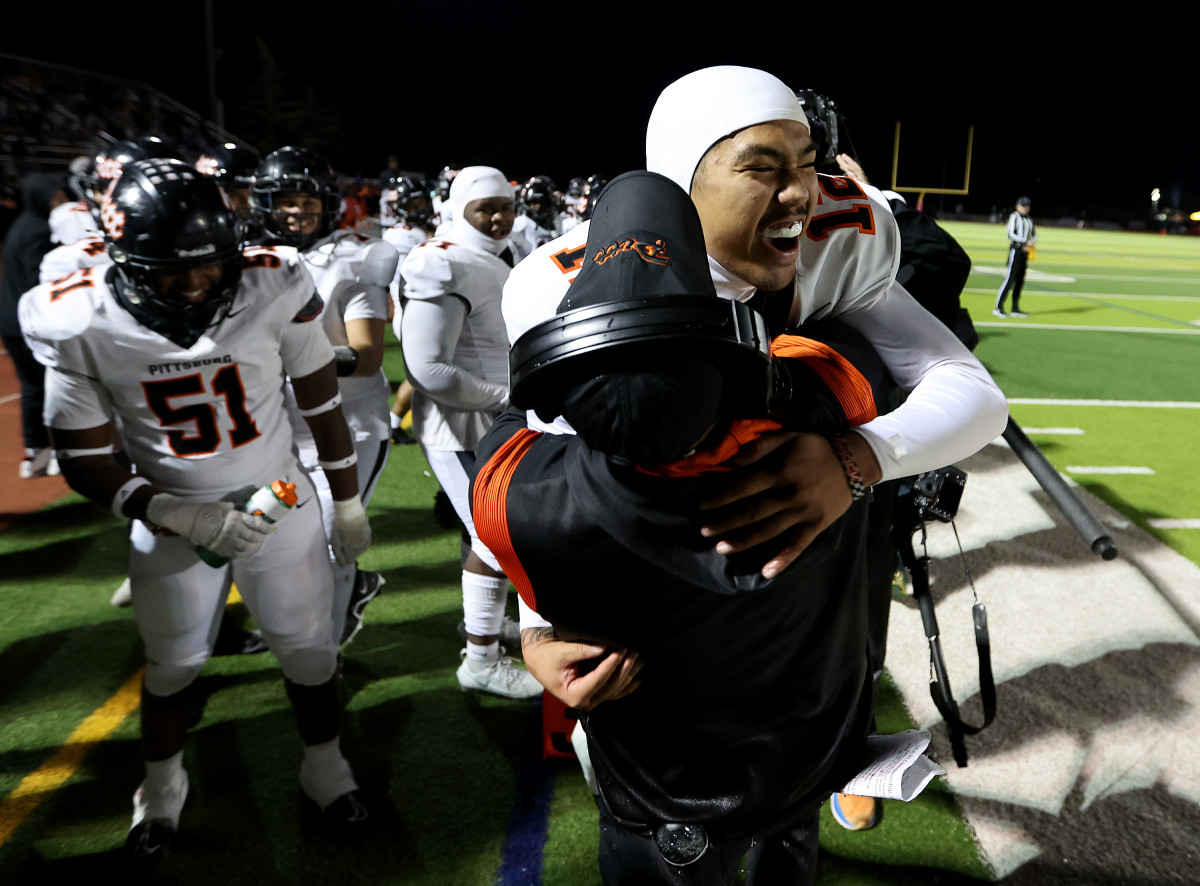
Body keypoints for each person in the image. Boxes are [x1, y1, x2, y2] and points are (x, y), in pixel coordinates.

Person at [501, 65, 1008, 865]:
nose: (803, 191)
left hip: (807, 584)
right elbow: (542, 476)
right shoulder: (562, 288)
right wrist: (537, 626)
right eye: (762, 167)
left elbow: (972, 392)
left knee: (793, 794)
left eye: (807, 162)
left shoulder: (846, 235)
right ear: (676, 186)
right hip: (667, 587)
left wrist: (857, 457)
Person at [474, 170, 907, 884]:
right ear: (739, 374)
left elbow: (510, 420)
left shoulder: (515, 496)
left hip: (658, 787)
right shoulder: (817, 407)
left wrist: (531, 633)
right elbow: (865, 360)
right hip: (804, 748)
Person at [19, 160, 374, 861]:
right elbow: (84, 457)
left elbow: (321, 400)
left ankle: (325, 766)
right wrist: (173, 512)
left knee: (309, 648)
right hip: (173, 515)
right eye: (165, 270)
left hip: (279, 497)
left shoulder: (274, 279)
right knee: (174, 664)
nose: (192, 283)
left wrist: (347, 499)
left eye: (208, 264)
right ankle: (160, 788)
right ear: (121, 258)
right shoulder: (79, 315)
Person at [399, 165, 540, 699]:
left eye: (505, 205)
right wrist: (506, 399)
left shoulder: (487, 253)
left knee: (482, 529)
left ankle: (483, 627)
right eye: (487, 208)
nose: (500, 217)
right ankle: (480, 659)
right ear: (460, 208)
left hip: (490, 420)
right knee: (494, 532)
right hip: (462, 426)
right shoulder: (441, 262)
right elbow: (427, 369)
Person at [252, 146, 397, 644]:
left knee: (331, 545)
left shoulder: (354, 258)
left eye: (307, 201)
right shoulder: (249, 260)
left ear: (327, 205)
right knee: (271, 541)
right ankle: (350, 593)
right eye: (285, 200)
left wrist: (281, 358)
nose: (296, 211)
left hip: (349, 427)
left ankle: (325, 654)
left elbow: (367, 356)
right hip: (276, 433)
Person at [1, 171, 67, 478]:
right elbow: (37, 282)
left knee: (32, 388)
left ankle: (36, 453)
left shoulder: (22, 224)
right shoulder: (40, 230)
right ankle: (61, 451)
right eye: (55, 196)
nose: (60, 202)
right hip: (31, 324)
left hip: (11, 322)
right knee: (56, 386)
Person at [994, 196, 1037, 318]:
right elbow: (1010, 234)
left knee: (1020, 280)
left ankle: (1015, 308)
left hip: (1025, 252)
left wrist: (1032, 242)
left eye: (1027, 206)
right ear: (1017, 206)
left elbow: (1035, 234)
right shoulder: (1014, 217)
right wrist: (1024, 241)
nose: (1025, 208)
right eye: (1023, 206)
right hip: (1016, 250)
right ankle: (998, 307)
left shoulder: (1029, 219)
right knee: (1010, 278)